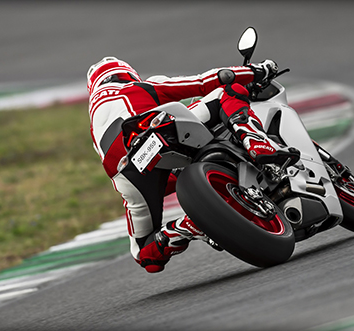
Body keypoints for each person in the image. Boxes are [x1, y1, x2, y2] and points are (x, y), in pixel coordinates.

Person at [87, 56, 296, 273]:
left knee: (145, 255)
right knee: (227, 91)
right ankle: (255, 141)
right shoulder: (139, 86)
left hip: (127, 173)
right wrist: (258, 71)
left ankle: (182, 229)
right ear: (126, 74)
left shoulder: (94, 126)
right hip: (156, 132)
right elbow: (206, 81)